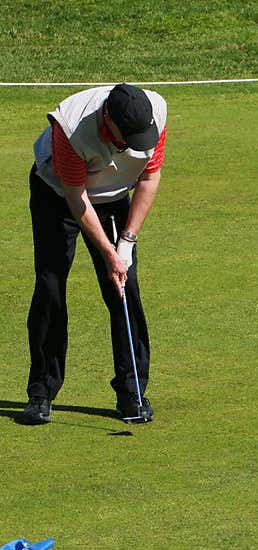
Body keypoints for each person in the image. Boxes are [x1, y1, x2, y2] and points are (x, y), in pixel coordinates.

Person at [20, 83, 168, 425]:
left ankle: (132, 392)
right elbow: (77, 199)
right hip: (57, 195)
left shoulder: (155, 113)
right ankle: (41, 392)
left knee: (123, 287)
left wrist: (126, 244)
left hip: (114, 199)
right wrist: (107, 252)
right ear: (108, 120)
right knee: (51, 286)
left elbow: (149, 178)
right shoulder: (71, 127)